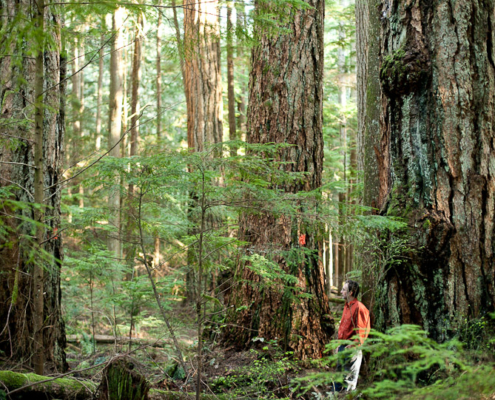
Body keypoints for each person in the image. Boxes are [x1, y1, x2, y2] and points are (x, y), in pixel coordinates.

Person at [333, 280, 370, 392]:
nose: (341, 291)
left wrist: (354, 345)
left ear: (351, 292)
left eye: (344, 289)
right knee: (338, 379)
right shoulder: (346, 306)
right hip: (343, 347)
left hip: (352, 349)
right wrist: (339, 345)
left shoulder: (359, 307)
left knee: (348, 384)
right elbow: (343, 328)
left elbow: (363, 329)